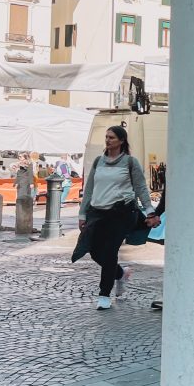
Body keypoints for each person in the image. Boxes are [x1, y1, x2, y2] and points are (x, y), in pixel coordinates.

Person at [76, 126, 155, 310]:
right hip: (98, 211)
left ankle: (104, 294)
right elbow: (89, 189)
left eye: (111, 137)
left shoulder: (130, 162)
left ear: (121, 141)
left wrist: (150, 210)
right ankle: (120, 273)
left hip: (121, 213)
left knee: (111, 251)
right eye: (106, 137)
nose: (108, 140)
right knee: (95, 251)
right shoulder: (98, 161)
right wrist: (83, 212)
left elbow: (141, 188)